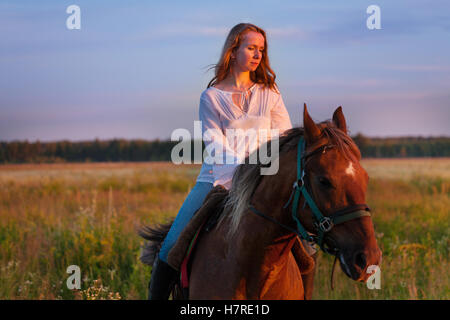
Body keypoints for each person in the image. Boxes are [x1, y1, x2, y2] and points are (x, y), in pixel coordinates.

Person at [148, 22, 309, 300]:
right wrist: (244, 178)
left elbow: (284, 139)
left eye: (261, 49)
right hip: (216, 180)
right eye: (251, 48)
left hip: (264, 180)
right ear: (233, 51)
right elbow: (216, 144)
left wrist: (269, 177)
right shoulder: (211, 97)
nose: (257, 54)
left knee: (306, 253)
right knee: (171, 245)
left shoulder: (270, 94)